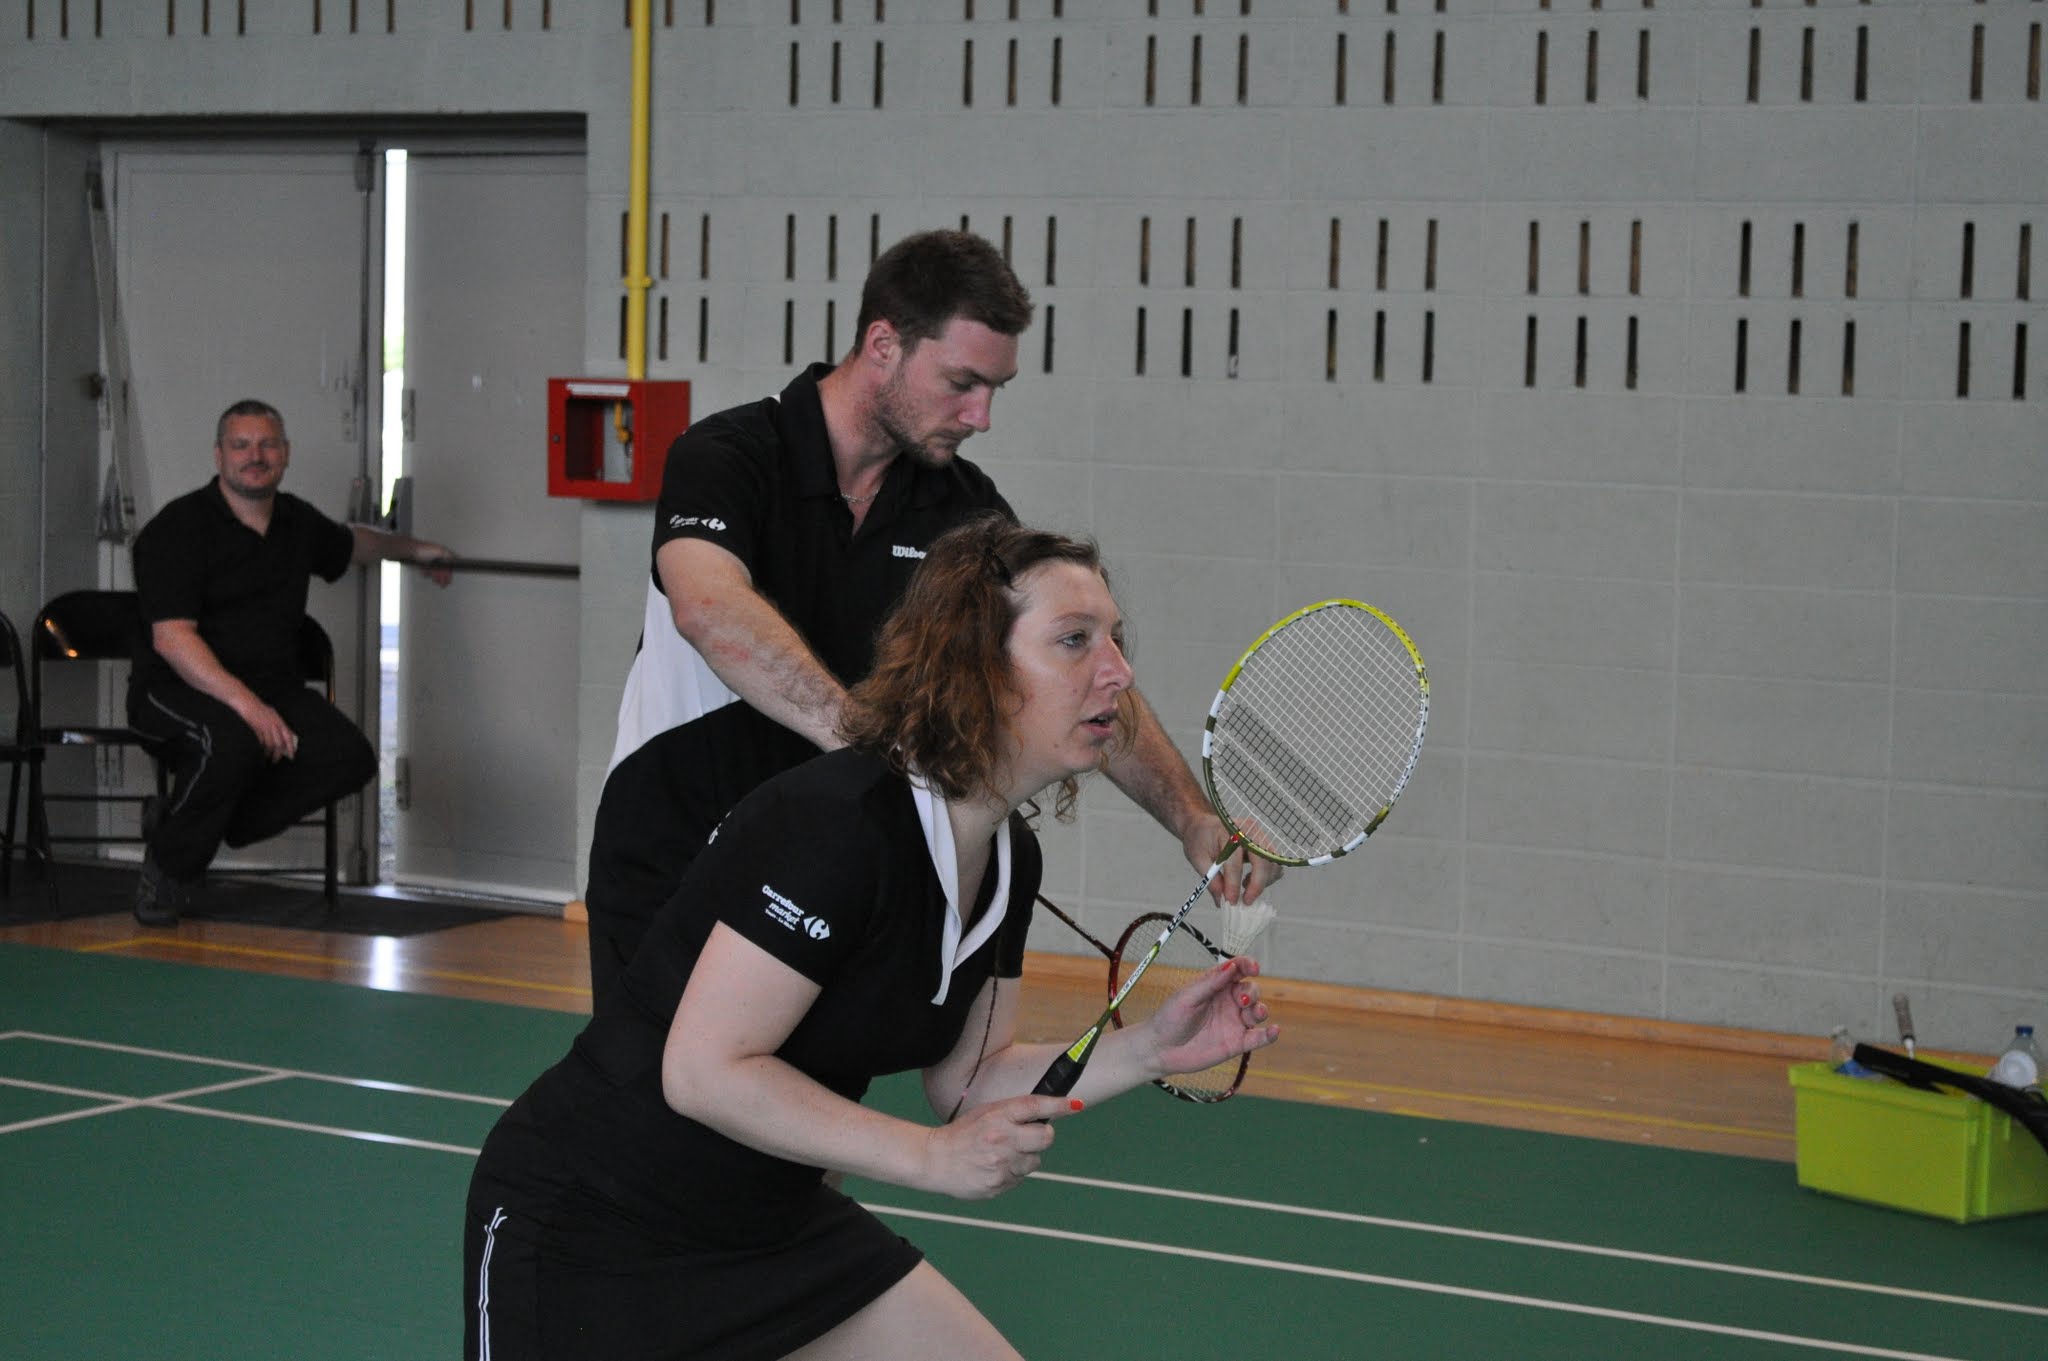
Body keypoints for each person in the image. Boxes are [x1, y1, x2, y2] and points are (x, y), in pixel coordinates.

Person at [464, 518, 1281, 1360]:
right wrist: (930, 1158)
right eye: (1075, 640)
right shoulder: (836, 823)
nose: (1118, 671)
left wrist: (1148, 1048)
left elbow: (969, 1082)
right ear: (974, 664)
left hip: (772, 1228)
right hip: (592, 1221)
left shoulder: (1008, 857)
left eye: (1114, 638)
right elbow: (704, 1071)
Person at [587, 228, 1274, 1015]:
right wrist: (867, 743)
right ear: (884, 344)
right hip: (671, 859)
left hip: (821, 880)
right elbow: (709, 607)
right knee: (660, 1089)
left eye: (995, 389)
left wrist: (1191, 817)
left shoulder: (963, 511)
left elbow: (1075, 665)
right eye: (961, 383)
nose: (981, 415)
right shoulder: (729, 454)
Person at [126, 398, 455, 926]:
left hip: (272, 687)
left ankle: (198, 823)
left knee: (348, 756)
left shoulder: (296, 521)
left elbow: (353, 544)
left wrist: (419, 551)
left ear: (285, 453)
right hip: (174, 690)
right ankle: (166, 872)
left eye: (267, 445)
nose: (255, 456)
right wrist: (251, 709)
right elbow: (172, 640)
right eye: (241, 445)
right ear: (219, 455)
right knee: (229, 743)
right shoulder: (176, 529)